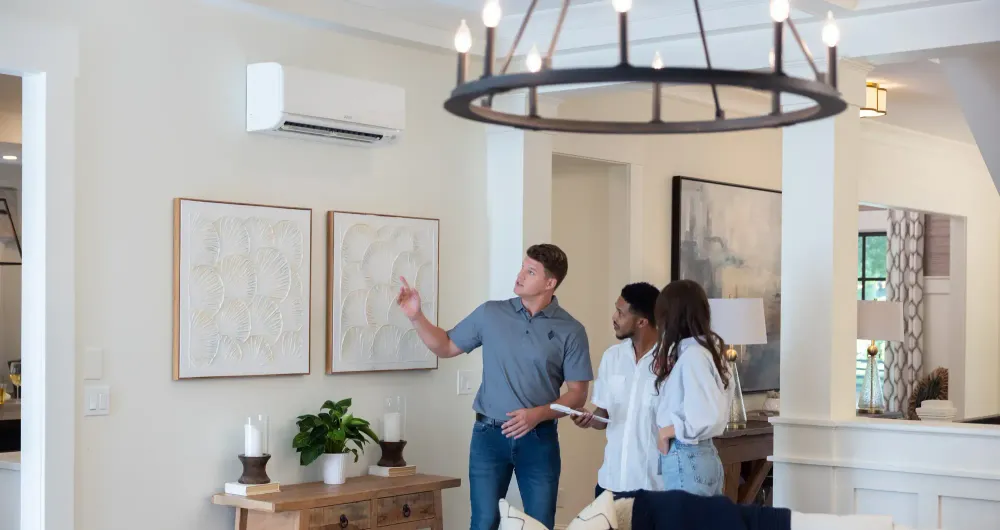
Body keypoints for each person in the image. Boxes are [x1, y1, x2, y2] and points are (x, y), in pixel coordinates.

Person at [396, 243, 593, 530]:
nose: (520, 275)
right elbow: (446, 346)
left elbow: (577, 394)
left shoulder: (571, 330)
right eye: (522, 267)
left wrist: (536, 415)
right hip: (488, 436)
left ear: (550, 283)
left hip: (539, 440)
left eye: (531, 271)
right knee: (484, 522)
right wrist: (416, 316)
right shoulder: (491, 313)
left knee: (540, 524)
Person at [572, 282, 662, 498]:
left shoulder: (672, 361)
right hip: (610, 483)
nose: (613, 317)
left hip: (654, 486)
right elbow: (603, 415)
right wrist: (587, 419)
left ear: (642, 321)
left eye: (620, 313)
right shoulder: (612, 357)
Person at [651, 279, 732, 496]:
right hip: (702, 455)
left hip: (687, 456)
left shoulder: (693, 357)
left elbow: (707, 416)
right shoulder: (709, 354)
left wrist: (667, 431)